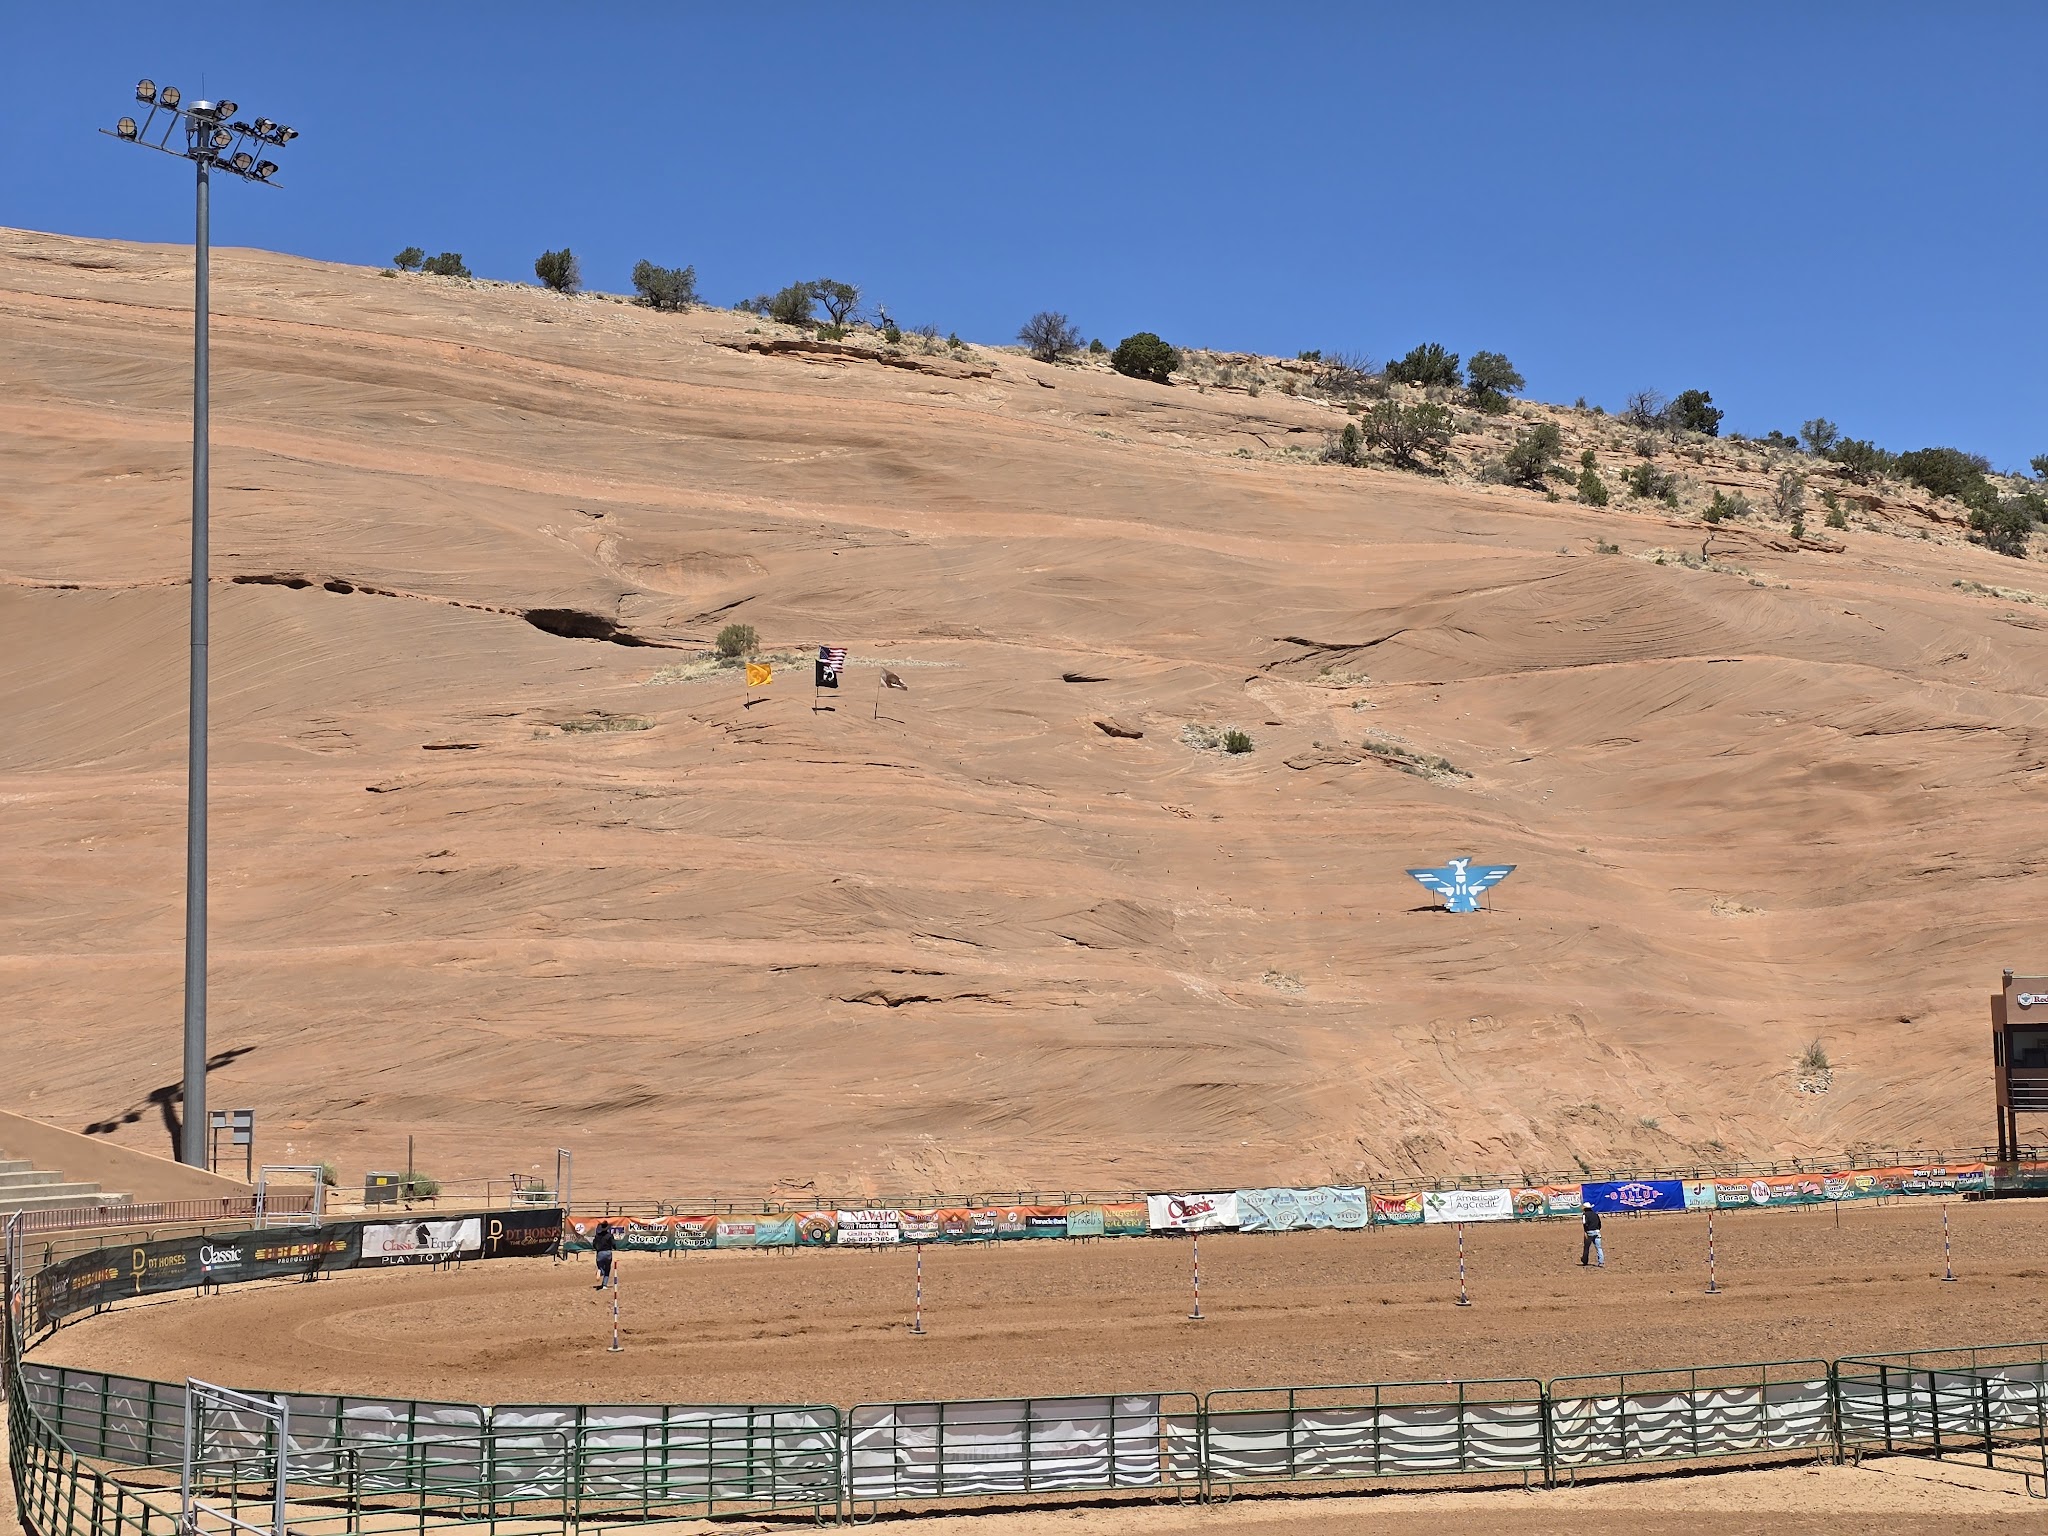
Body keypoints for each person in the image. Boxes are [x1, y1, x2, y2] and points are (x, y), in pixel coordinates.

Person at [591, 1219, 616, 1290]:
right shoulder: (609, 1236)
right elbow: (613, 1244)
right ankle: (604, 1285)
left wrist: (596, 1248)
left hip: (600, 1253)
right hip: (608, 1252)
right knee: (607, 1269)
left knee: (600, 1266)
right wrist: (614, 1247)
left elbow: (594, 1244)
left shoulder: (597, 1236)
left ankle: (600, 1271)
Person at [1580, 1202, 1605, 1268]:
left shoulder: (1584, 1215)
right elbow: (1599, 1223)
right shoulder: (1595, 1214)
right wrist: (1597, 1229)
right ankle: (1601, 1262)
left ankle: (1585, 1261)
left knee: (1586, 1247)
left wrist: (1586, 1231)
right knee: (1599, 1248)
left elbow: (1584, 1223)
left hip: (1589, 1232)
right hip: (1597, 1231)